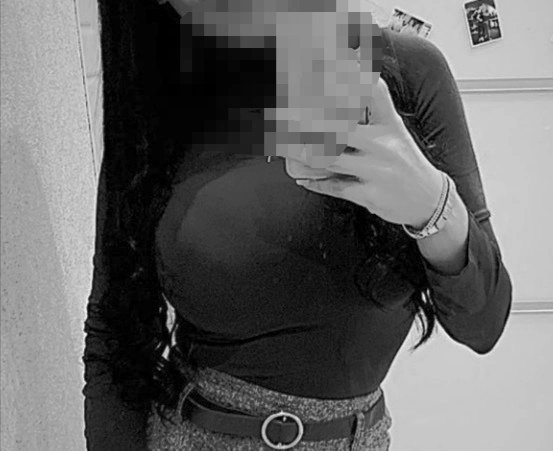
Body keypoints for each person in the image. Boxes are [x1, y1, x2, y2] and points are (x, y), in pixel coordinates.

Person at [82, 0, 513, 450]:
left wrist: (431, 205)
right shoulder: (160, 101)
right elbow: (113, 337)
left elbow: (483, 324)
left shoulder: (405, 71)